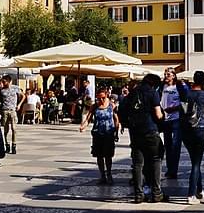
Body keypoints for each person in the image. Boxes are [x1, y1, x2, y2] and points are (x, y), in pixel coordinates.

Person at [118, 73, 165, 203]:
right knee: (156, 159)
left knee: (138, 164)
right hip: (150, 130)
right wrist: (163, 119)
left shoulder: (132, 93)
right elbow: (158, 114)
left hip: (135, 132)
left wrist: (126, 124)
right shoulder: (152, 93)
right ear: (154, 84)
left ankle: (138, 194)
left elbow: (122, 110)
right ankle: (156, 193)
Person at [182, 71, 204, 204]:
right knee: (196, 163)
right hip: (200, 130)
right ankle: (191, 194)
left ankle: (200, 190)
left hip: (186, 131)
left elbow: (183, 111)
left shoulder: (186, 94)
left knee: (194, 162)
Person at [80, 89, 119, 184]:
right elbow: (89, 118)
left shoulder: (111, 106)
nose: (101, 100)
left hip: (109, 133)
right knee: (99, 156)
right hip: (97, 133)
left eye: (103, 98)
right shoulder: (94, 106)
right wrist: (83, 126)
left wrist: (116, 132)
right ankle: (102, 175)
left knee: (108, 156)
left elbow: (116, 120)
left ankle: (109, 174)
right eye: (98, 98)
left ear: (107, 96)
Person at [160, 68, 187, 179]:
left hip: (176, 119)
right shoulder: (162, 87)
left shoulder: (179, 87)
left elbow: (185, 103)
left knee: (176, 146)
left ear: (174, 76)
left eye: (169, 74)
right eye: (165, 73)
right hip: (165, 120)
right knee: (167, 146)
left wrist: (174, 108)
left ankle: (173, 170)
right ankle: (169, 169)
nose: (166, 75)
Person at [0, 76, 22, 153]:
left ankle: (14, 145)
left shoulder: (15, 88)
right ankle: (7, 144)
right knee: (5, 129)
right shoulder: (2, 90)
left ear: (9, 81)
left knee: (14, 128)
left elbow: (23, 96)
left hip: (13, 110)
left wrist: (19, 105)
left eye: (4, 81)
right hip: (5, 110)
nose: (3, 83)